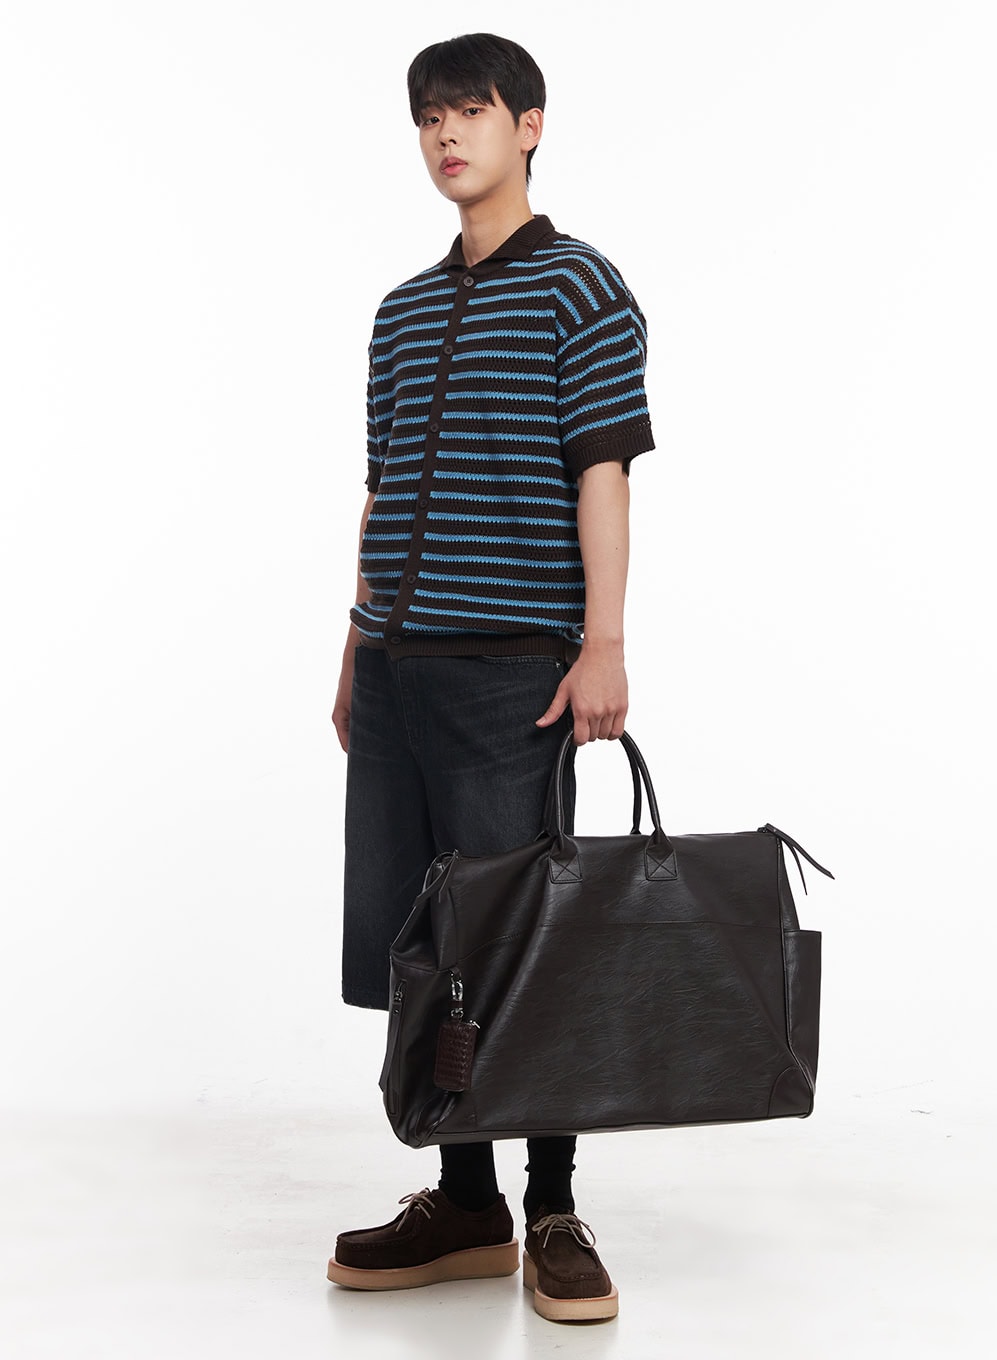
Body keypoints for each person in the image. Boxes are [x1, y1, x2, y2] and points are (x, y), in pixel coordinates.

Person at [326, 32, 655, 1324]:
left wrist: (604, 644)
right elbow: (382, 492)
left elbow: (602, 472)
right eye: (429, 117)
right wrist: (355, 646)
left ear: (529, 126)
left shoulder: (581, 288)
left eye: (470, 110)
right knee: (424, 948)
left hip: (510, 677)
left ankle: (553, 1206)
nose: (446, 134)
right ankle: (467, 1202)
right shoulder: (400, 311)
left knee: (524, 942)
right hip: (396, 671)